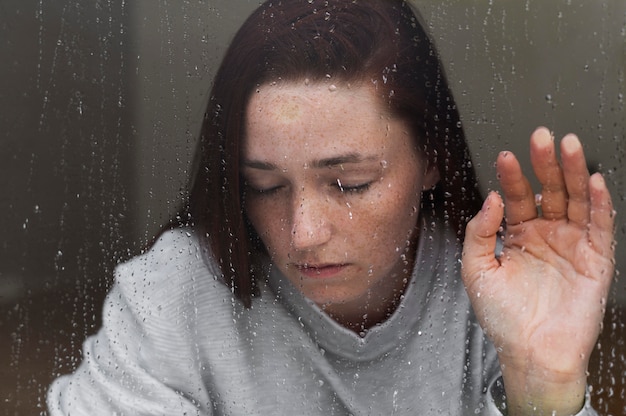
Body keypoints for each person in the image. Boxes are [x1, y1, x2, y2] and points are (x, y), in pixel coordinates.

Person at [47, 0, 615, 415]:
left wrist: (542, 385)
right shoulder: (172, 294)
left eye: (349, 183)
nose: (303, 233)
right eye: (265, 186)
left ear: (432, 159)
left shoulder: (499, 294)